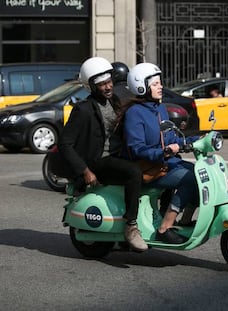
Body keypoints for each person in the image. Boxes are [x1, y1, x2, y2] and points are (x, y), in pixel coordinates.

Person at [58, 57, 148, 252]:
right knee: (133, 172)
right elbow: (65, 144)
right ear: (91, 86)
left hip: (118, 156)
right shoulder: (83, 109)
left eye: (109, 82)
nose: (108, 87)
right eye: (101, 84)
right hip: (99, 161)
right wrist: (85, 171)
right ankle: (131, 227)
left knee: (159, 167)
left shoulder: (114, 101)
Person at [121, 62, 199, 244]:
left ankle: (185, 220)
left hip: (163, 163)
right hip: (147, 168)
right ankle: (165, 228)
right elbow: (136, 148)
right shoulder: (135, 113)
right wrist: (162, 152)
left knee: (201, 174)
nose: (160, 86)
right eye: (155, 84)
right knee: (191, 178)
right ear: (142, 86)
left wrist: (194, 141)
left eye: (159, 83)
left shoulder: (160, 109)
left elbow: (170, 139)